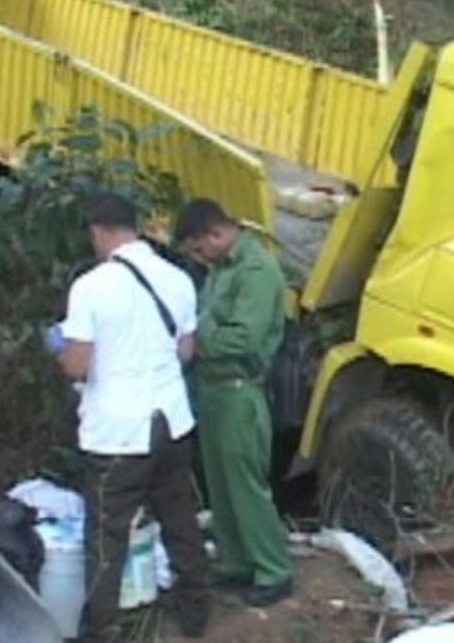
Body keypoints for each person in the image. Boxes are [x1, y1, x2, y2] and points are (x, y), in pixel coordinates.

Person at [47, 192, 210, 641]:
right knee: (179, 519)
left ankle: (103, 629)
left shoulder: (91, 287)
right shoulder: (178, 279)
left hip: (117, 433)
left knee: (107, 536)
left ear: (98, 232)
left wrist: (59, 348)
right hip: (172, 423)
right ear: (134, 227)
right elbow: (186, 350)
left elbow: (78, 365)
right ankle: (196, 613)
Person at [173, 198, 294, 607]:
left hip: (240, 389)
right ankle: (236, 563)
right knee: (219, 486)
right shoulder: (220, 271)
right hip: (214, 391)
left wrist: (195, 343)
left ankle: (273, 570)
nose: (197, 256)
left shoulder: (256, 271)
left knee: (245, 485)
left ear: (217, 233)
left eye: (198, 248)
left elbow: (246, 337)